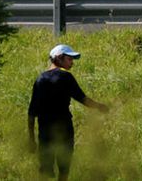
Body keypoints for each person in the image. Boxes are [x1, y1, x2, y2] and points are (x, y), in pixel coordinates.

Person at [28, 43, 109, 180]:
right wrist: (100, 107)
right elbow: (82, 99)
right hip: (64, 129)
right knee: (64, 170)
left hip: (45, 130)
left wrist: (31, 139)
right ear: (59, 58)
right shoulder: (66, 77)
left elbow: (31, 112)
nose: (72, 63)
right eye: (69, 59)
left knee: (46, 171)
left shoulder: (40, 79)